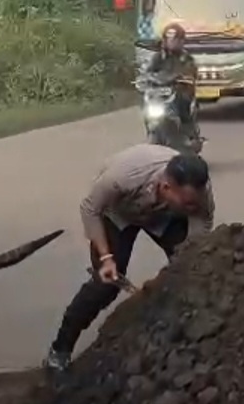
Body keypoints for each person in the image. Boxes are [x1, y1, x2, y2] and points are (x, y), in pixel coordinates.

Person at [44, 144, 214, 372]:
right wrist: (106, 258)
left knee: (191, 275)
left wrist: (184, 266)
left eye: (195, 203)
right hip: (119, 212)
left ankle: (185, 339)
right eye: (188, 203)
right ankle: (59, 350)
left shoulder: (199, 195)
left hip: (165, 217)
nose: (194, 207)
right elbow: (90, 209)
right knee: (104, 285)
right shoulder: (123, 177)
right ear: (166, 187)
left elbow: (198, 236)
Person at [146, 22, 199, 132]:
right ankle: (150, 127)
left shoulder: (186, 58)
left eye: (174, 39)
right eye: (168, 39)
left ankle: (188, 132)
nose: (171, 42)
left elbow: (191, 72)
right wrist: (149, 78)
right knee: (147, 102)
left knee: (184, 102)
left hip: (180, 90)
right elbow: (149, 71)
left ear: (181, 41)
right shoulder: (158, 57)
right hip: (161, 91)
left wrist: (183, 77)